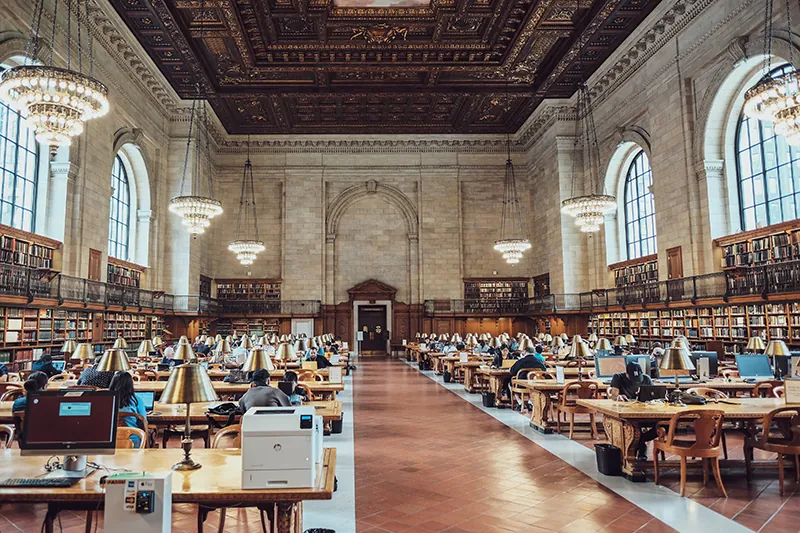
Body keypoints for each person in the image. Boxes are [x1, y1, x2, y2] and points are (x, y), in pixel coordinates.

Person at [610, 362, 656, 459]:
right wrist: (618, 396)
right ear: (626, 374)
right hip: (626, 412)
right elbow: (613, 395)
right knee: (634, 426)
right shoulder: (618, 377)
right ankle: (639, 448)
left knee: (663, 424)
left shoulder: (646, 378)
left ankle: (640, 440)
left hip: (645, 411)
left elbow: (654, 395)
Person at [109, 372, 147, 448]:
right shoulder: (137, 400)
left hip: (109, 439)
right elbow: (144, 421)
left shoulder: (106, 401)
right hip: (132, 440)